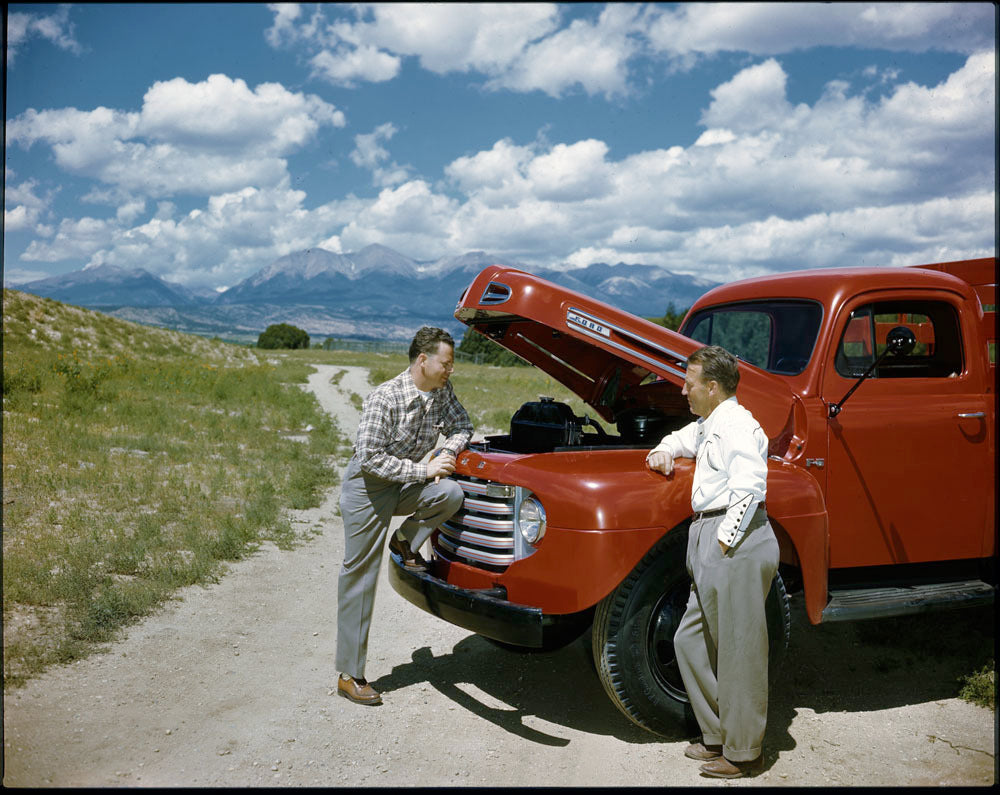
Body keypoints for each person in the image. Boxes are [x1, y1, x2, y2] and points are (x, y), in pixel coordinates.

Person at [646, 345, 779, 779]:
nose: (683, 389)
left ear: (713, 386)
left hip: (734, 537)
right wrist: (664, 450)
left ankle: (745, 753)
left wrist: (723, 542)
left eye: (689, 382)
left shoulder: (736, 424)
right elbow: (681, 439)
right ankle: (719, 734)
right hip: (712, 535)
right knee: (690, 640)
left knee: (739, 650)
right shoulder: (711, 423)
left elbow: (750, 485)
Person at [336, 326, 473, 706]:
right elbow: (370, 457)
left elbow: (463, 425)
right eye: (446, 363)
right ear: (423, 360)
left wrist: (446, 452)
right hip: (368, 487)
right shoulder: (386, 396)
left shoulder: (442, 392)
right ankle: (350, 674)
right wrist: (423, 471)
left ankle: (405, 539)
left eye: (452, 363)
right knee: (360, 575)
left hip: (407, 478)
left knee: (450, 493)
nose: (450, 370)